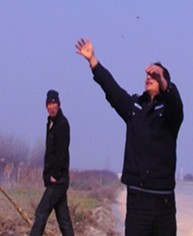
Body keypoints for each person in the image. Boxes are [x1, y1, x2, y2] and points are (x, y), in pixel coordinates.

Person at [75, 38, 184, 236]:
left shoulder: (170, 112)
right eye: (148, 75)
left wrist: (165, 82)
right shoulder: (134, 107)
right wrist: (92, 60)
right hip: (137, 200)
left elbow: (176, 103)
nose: (149, 77)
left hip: (164, 201)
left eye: (154, 75)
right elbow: (113, 90)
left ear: (163, 81)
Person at [29, 90, 75, 236]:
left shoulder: (62, 124)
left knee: (41, 212)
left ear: (58, 104)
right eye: (49, 104)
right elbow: (50, 152)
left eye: (54, 103)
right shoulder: (50, 123)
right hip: (54, 179)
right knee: (63, 219)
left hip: (58, 179)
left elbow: (62, 152)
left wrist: (54, 175)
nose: (51, 107)